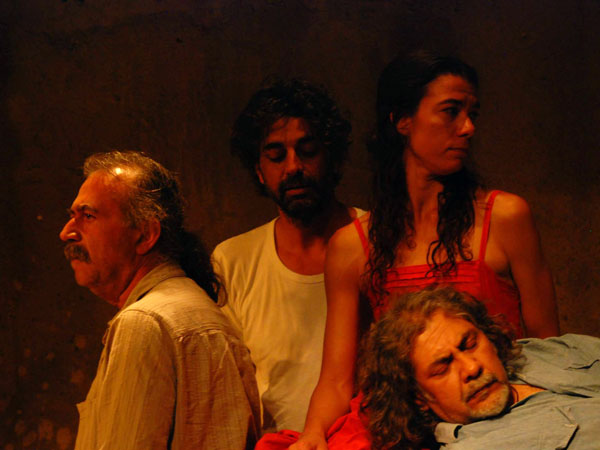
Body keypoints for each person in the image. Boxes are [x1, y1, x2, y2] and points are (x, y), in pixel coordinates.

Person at [292, 51, 559, 449]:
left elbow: (550, 350)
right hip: (403, 430)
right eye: (450, 111)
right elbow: (336, 379)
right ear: (403, 120)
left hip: (499, 422)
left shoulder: (505, 217)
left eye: (472, 114)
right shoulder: (351, 246)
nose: (468, 128)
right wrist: (313, 433)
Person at [60, 151, 260, 450]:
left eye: (88, 216)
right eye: (72, 216)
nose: (67, 232)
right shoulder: (193, 308)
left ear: (145, 236)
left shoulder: (144, 322)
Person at [212, 79, 365, 433]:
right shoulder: (233, 260)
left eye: (307, 150)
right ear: (258, 170)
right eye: (276, 155)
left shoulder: (376, 240)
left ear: (331, 158)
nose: (293, 167)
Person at [359, 287, 600, 450]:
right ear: (419, 398)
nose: (472, 367)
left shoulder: (537, 352)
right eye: (443, 368)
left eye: (471, 344)